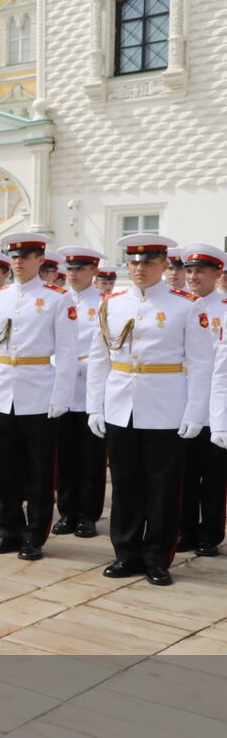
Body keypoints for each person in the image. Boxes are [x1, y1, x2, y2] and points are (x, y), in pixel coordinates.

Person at [87, 233, 213, 586]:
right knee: (125, 484)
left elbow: (201, 364)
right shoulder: (112, 303)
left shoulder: (186, 305)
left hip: (166, 406)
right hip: (120, 405)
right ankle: (126, 553)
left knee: (163, 488)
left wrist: (195, 413)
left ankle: (158, 557)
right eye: (134, 262)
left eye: (148, 262)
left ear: (163, 265)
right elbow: (100, 360)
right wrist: (94, 406)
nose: (140, 268)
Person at [0, 233, 76, 561]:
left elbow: (66, 352)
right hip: (4, 391)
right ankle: (9, 530)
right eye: (14, 256)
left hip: (39, 392)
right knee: (4, 469)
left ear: (39, 260)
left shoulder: (57, 299)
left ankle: (35, 535)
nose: (18, 261)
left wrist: (61, 395)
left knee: (39, 472)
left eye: (27, 256)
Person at [176, 243, 227, 556]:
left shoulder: (223, 310)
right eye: (189, 270)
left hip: (216, 405)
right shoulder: (179, 306)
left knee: (215, 473)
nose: (193, 276)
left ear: (217, 273)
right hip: (182, 401)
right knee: (183, 473)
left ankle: (210, 533)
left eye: (200, 271)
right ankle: (186, 531)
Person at [53, 245, 107, 539]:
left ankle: (88, 514)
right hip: (62, 386)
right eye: (70, 269)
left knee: (91, 456)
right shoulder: (56, 300)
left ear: (93, 271)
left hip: (89, 386)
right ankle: (66, 511)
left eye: (80, 269)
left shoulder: (103, 303)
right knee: (64, 454)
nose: (73, 275)